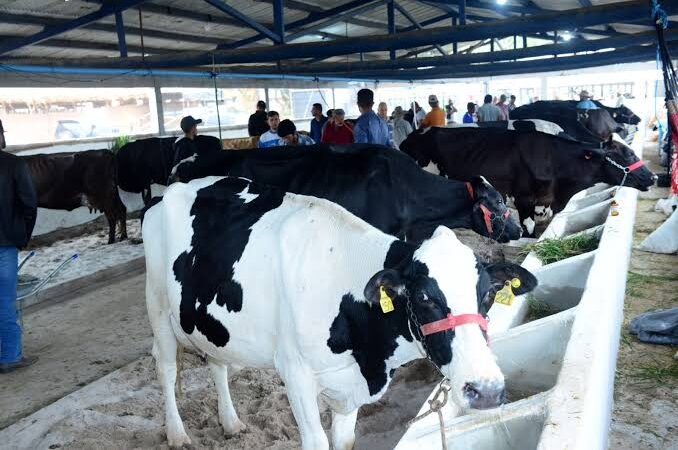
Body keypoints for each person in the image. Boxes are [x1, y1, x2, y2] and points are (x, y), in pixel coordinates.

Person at [0, 119, 38, 374]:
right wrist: (23, 236)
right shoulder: (13, 164)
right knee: (4, 301)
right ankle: (11, 357)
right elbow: (29, 204)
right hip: (4, 244)